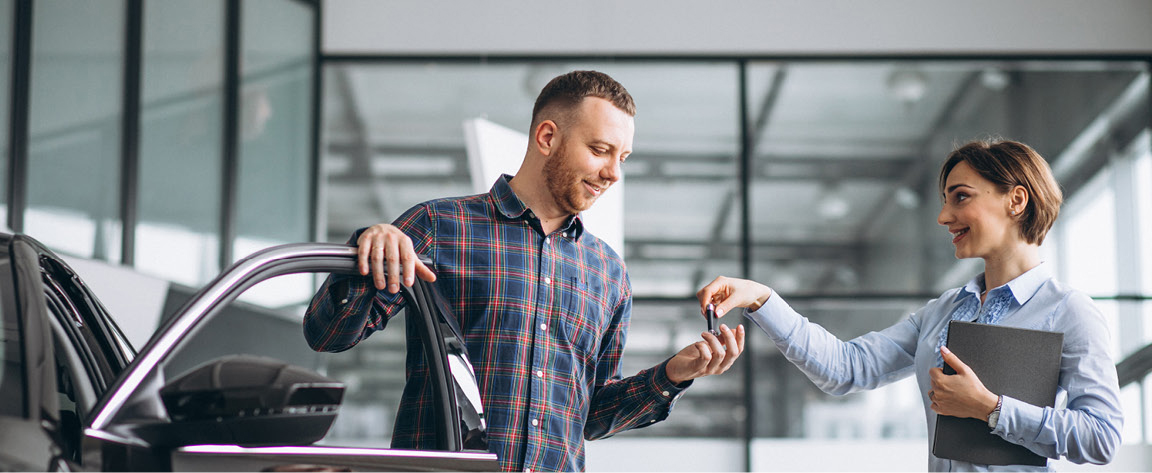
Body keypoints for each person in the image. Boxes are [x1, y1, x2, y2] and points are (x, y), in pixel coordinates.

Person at [304, 70, 745, 472]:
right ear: (548, 136)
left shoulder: (609, 274)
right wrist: (368, 248)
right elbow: (327, 334)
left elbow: (590, 417)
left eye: (623, 158)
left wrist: (672, 375)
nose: (613, 173)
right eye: (600, 150)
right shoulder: (439, 227)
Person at [698, 139, 1122, 470]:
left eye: (960, 197)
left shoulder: (1070, 313)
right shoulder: (941, 313)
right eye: (944, 200)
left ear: (1016, 200)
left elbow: (1101, 437)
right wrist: (760, 298)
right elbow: (846, 368)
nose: (942, 216)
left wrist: (990, 408)